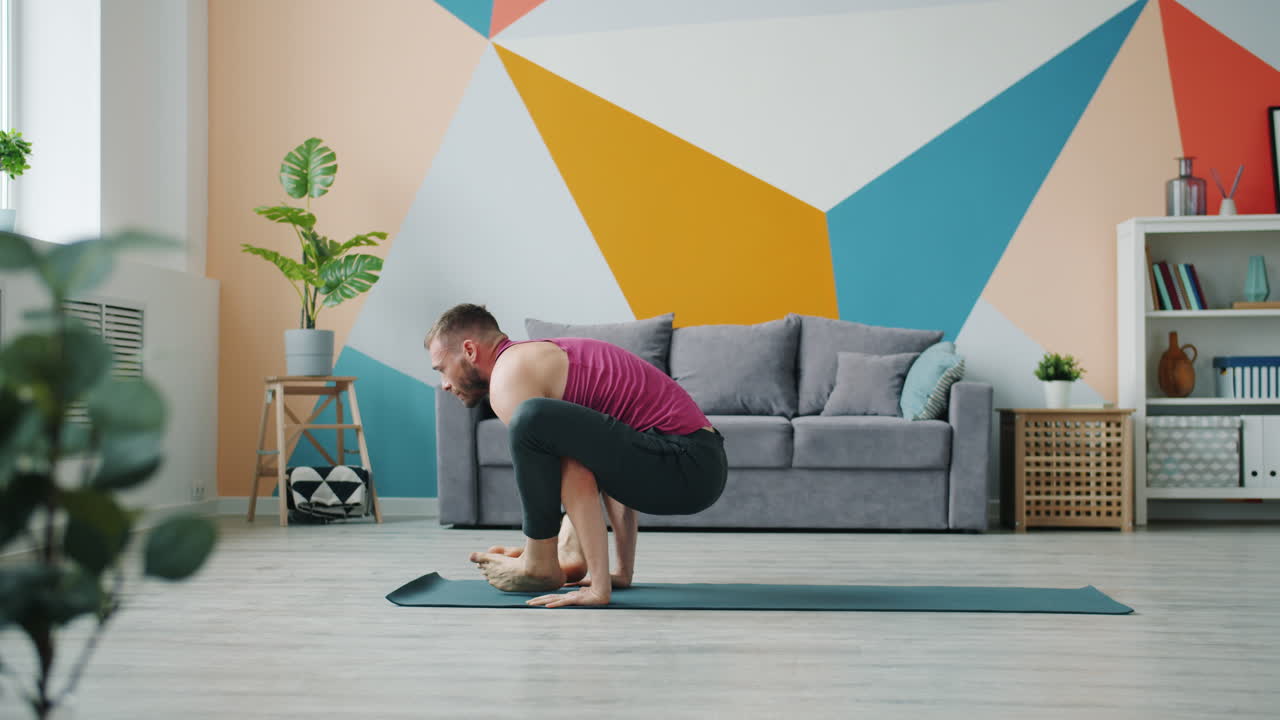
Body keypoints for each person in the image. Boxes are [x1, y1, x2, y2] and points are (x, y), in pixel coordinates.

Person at [426, 304, 727, 608]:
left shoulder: (508, 377)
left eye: (441, 369)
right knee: (559, 432)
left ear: (469, 350)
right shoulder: (535, 359)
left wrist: (592, 585)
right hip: (696, 464)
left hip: (685, 462)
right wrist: (619, 572)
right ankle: (559, 558)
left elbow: (576, 473)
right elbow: (609, 457)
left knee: (531, 418)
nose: (445, 384)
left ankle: (540, 559)